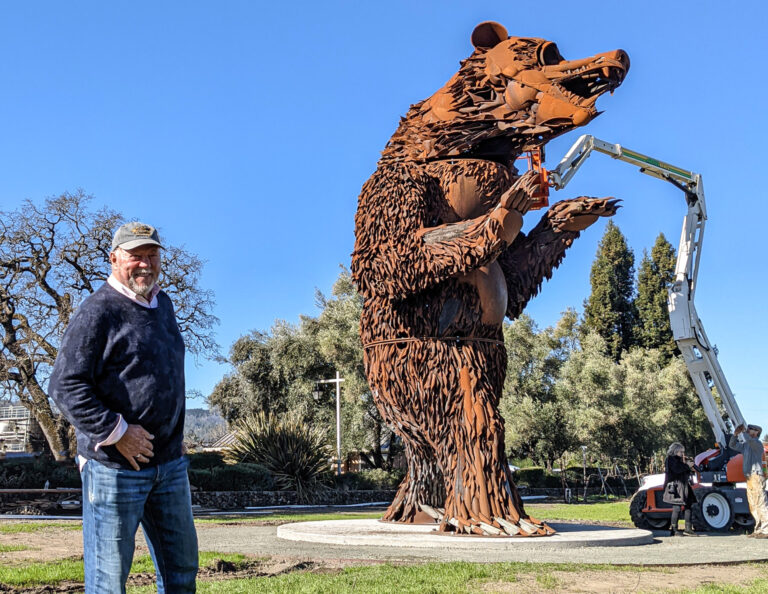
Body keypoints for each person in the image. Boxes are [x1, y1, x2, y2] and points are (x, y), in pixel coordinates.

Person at [49, 222, 198, 593]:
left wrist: (175, 436)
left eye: (152, 255)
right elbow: (64, 385)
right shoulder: (97, 312)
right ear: (114, 258)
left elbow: (162, 378)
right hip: (115, 468)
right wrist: (119, 433)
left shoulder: (163, 305)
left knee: (181, 574)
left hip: (169, 467)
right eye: (135, 256)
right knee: (108, 583)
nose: (145, 264)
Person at [729, 424, 768, 538]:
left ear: (757, 432)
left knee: (760, 503)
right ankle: (758, 529)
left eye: (751, 429)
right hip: (749, 477)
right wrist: (735, 434)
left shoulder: (757, 444)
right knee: (753, 505)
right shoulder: (746, 445)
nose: (748, 430)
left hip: (756, 476)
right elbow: (732, 445)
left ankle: (766, 530)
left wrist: (743, 432)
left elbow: (749, 440)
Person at [662, 442, 697, 536]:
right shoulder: (670, 459)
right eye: (681, 451)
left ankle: (688, 528)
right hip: (676, 486)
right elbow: (677, 470)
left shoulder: (678, 460)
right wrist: (687, 466)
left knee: (688, 506)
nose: (682, 453)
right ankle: (674, 530)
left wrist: (689, 468)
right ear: (675, 450)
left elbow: (681, 470)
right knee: (676, 507)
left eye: (683, 452)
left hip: (684, 486)